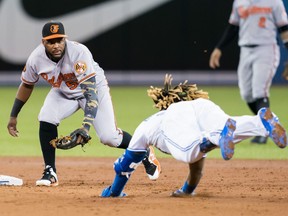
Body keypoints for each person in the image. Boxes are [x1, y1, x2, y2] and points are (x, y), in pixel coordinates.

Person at [7, 21, 161, 187]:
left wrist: (85, 127)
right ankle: (50, 171)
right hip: (63, 92)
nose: (56, 45)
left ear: (65, 39)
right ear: (43, 42)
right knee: (46, 116)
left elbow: (90, 94)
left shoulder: (78, 53)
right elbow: (27, 85)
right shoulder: (35, 59)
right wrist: (13, 115)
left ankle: (144, 151)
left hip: (94, 90)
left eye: (60, 40)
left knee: (109, 137)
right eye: (51, 41)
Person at [100, 74, 287, 197]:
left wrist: (114, 192)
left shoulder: (157, 121)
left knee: (187, 151)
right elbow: (196, 170)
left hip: (183, 125)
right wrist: (186, 191)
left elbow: (125, 166)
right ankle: (260, 123)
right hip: (204, 107)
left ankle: (216, 137)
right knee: (227, 127)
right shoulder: (193, 105)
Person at [209, 0, 288, 144]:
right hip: (245, 49)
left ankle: (264, 131)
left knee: (259, 92)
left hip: (266, 48)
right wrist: (219, 48)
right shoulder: (240, 1)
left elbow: (284, 29)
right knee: (247, 93)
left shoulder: (274, 2)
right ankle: (267, 125)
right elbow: (232, 27)